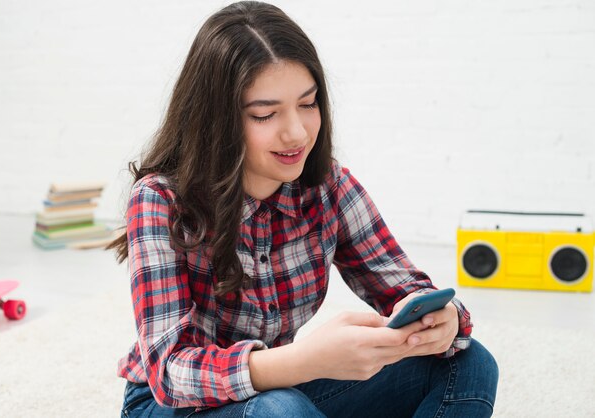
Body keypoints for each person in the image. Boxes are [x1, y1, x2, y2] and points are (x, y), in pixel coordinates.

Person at [109, 2, 499, 417]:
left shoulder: (327, 186)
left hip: (280, 393)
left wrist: (443, 321)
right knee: (281, 410)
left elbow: (405, 288)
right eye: (265, 113)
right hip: (171, 406)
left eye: (308, 104)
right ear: (216, 118)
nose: (295, 132)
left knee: (469, 364)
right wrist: (306, 360)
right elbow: (169, 374)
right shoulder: (160, 200)